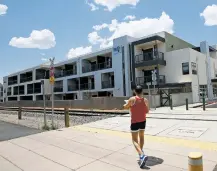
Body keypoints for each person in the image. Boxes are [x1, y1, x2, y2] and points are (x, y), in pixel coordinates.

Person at [123, 85, 149, 168]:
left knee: (134, 140)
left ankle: (141, 155)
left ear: (135, 91)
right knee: (141, 137)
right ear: (142, 91)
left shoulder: (132, 99)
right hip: (143, 121)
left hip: (134, 122)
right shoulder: (145, 100)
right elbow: (147, 111)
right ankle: (141, 155)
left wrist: (127, 105)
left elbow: (125, 107)